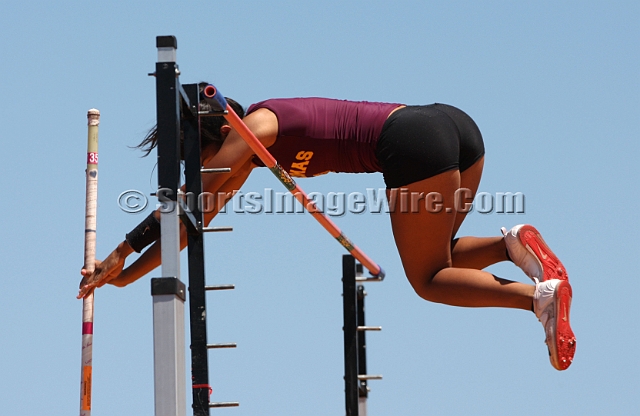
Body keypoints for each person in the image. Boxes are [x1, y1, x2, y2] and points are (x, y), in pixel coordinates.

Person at [79, 93, 576, 370]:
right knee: (440, 256)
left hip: (413, 142)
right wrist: (125, 276)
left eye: (200, 158)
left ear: (213, 138)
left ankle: (539, 300)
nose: (206, 168)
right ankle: (513, 244)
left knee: (427, 280)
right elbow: (194, 222)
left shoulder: (250, 128)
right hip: (450, 125)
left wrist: (122, 248)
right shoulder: (251, 146)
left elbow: (190, 200)